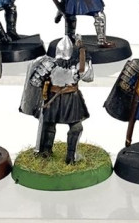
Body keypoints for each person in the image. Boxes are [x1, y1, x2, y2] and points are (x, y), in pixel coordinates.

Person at [19, 35, 94, 164]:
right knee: (72, 127)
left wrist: (47, 82)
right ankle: (65, 156)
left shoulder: (49, 64)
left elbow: (35, 81)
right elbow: (88, 76)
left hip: (58, 99)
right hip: (67, 99)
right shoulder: (77, 65)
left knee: (52, 126)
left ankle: (52, 153)